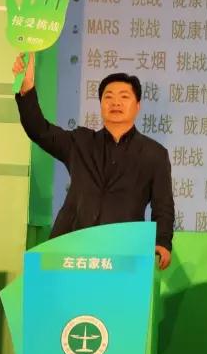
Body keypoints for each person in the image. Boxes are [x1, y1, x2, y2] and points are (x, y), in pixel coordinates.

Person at [13, 53, 174, 269]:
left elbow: (163, 205)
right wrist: (27, 89)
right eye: (108, 97)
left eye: (124, 96)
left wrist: (162, 241)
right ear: (100, 104)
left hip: (122, 254)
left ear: (137, 106)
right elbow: (40, 130)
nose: (115, 102)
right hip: (69, 249)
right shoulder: (80, 142)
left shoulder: (155, 153)